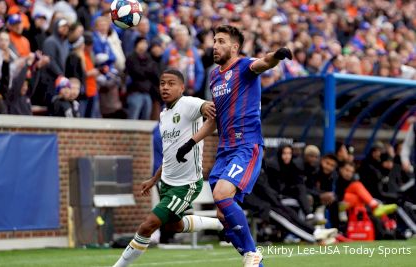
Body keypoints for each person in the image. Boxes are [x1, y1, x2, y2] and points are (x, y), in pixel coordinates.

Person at [175, 25, 292, 266]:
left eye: (220, 41)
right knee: (223, 214)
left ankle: (252, 252)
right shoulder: (214, 76)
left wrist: (277, 56)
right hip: (224, 151)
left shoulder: (243, 66)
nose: (214, 46)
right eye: (214, 41)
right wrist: (189, 143)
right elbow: (213, 121)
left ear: (234, 47)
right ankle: (255, 263)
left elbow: (263, 63)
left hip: (246, 146)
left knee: (221, 194)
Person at [113, 69, 221, 267]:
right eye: (162, 83)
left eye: (171, 83)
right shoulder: (163, 116)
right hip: (166, 182)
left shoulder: (189, 103)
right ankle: (221, 224)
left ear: (182, 88)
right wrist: (154, 179)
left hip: (186, 184)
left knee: (148, 226)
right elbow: (169, 154)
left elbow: (209, 111)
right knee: (174, 225)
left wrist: (206, 110)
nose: (165, 87)